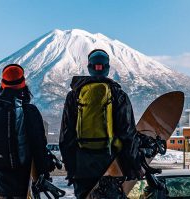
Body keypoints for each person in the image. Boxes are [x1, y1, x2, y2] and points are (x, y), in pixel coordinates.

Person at [59, 49, 143, 198]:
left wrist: (71, 170)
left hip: (82, 168)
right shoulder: (118, 94)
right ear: (107, 68)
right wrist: (132, 168)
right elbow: (128, 134)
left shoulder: (74, 95)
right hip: (112, 166)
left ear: (89, 67)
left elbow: (66, 137)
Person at [0, 64, 52, 199]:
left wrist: (0, 154)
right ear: (23, 85)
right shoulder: (29, 111)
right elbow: (38, 146)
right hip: (21, 180)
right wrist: (43, 173)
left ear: (2, 85)